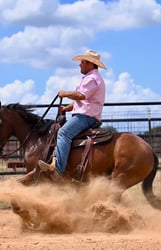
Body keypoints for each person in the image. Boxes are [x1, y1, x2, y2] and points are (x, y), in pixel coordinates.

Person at [38, 49, 107, 179]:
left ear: (90, 64)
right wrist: (67, 108)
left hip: (86, 118)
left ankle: (58, 170)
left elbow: (81, 95)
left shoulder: (92, 78)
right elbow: (85, 101)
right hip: (87, 115)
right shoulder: (91, 78)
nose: (79, 64)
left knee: (63, 133)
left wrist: (65, 93)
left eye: (82, 62)